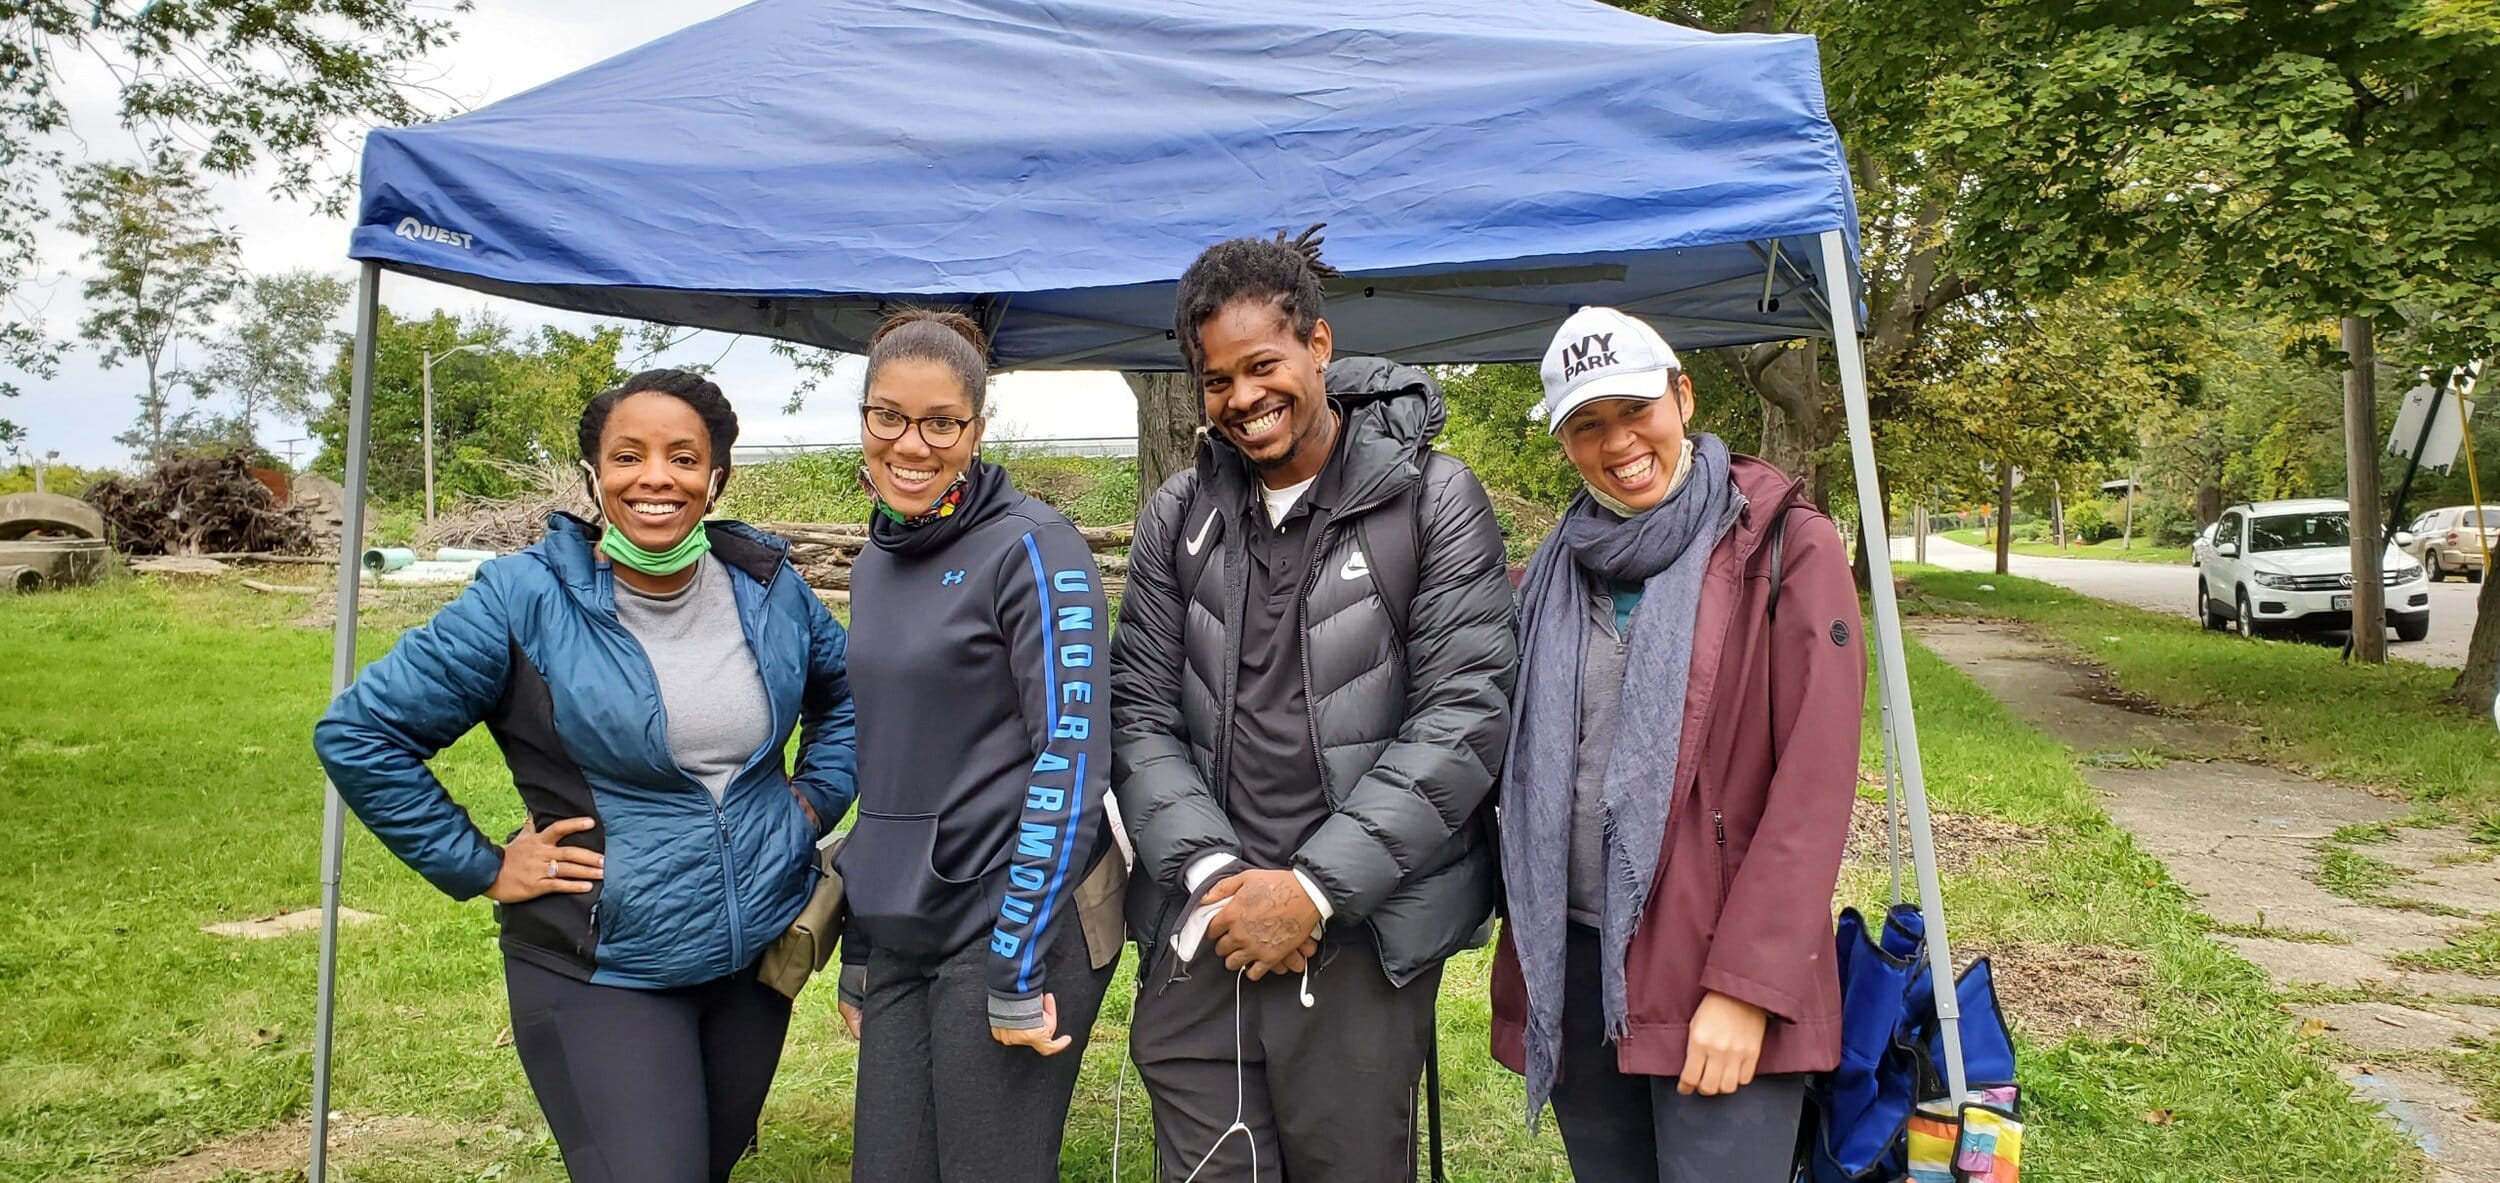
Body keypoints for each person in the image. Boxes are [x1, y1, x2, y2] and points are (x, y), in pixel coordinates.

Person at [313, 369, 858, 1183]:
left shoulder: (766, 587)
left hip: (753, 964)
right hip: (603, 964)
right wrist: (485, 865)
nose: (655, 476)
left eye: (682, 456)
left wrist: (810, 804)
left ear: (716, 478)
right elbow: (361, 732)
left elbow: (846, 693)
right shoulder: (524, 599)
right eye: (628, 455)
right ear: (595, 475)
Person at [1110, 229, 1518, 1181]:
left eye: (1264, 364)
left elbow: (1464, 714)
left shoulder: (1432, 497)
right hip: (1205, 927)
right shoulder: (1181, 514)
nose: (1244, 399)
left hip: (1359, 935)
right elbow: (1138, 712)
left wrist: (1311, 891)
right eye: (1218, 380)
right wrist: (1218, 877)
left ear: (1319, 347)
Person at [1487, 307, 1865, 1182]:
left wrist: (1748, 988)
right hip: (1580, 969)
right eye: (1588, 423)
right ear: (1565, 443)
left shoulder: (1786, 546)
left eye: (1635, 408)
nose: (1619, 440)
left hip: (1718, 975)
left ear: (1682, 396)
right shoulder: (1546, 575)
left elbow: (1815, 782)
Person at [834, 309, 1123, 1183]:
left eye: (940, 423)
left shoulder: (1036, 549)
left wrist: (1016, 955)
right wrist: (857, 939)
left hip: (1010, 920)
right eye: (888, 416)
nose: (911, 445)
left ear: (977, 428)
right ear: (864, 419)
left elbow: (1071, 758)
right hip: (902, 926)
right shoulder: (875, 558)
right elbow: (887, 756)